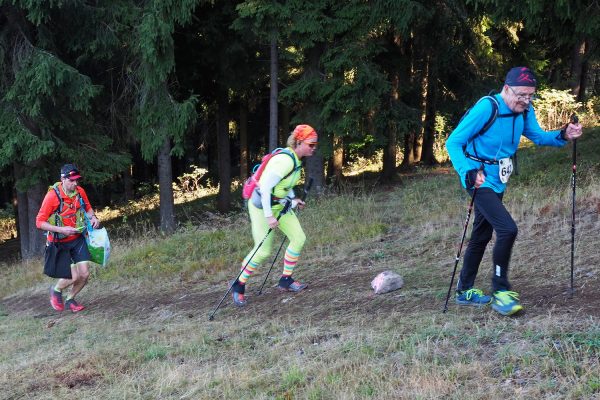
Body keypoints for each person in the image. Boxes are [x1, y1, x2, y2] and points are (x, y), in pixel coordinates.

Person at [445, 67, 583, 316]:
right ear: (506, 89)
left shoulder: (525, 110)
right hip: (478, 178)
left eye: (530, 96)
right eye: (521, 95)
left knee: (482, 233)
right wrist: (467, 170)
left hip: (499, 179)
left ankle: (464, 291)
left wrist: (563, 134)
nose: (526, 100)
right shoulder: (488, 107)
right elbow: (453, 141)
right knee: (507, 229)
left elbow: (539, 137)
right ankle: (501, 291)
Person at [231, 124, 318, 307]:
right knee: (263, 251)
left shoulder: (296, 159)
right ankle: (238, 284)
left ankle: (285, 279)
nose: (314, 147)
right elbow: (264, 189)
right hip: (262, 207)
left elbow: (284, 186)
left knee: (298, 238)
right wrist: (269, 216)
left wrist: (294, 200)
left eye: (315, 144)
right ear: (299, 142)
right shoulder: (284, 160)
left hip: (278, 204)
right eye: (311, 144)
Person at [36, 164, 100, 312]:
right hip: (59, 242)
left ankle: (70, 299)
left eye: (76, 180)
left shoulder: (80, 192)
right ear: (62, 179)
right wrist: (61, 229)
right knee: (73, 276)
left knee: (84, 275)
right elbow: (39, 222)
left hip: (77, 239)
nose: (75, 183)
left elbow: (88, 208)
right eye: (71, 180)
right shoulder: (52, 196)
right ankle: (56, 290)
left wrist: (94, 218)